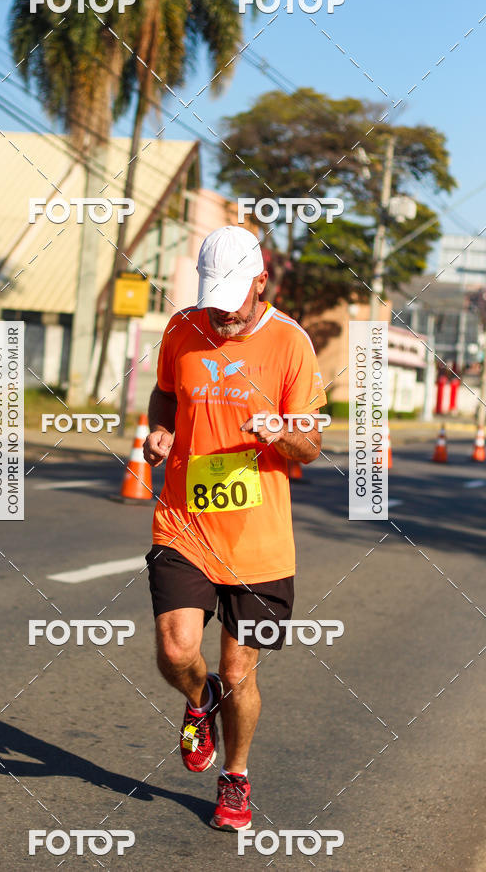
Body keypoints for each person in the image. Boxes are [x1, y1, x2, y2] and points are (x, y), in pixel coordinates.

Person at [143, 225, 326, 831]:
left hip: (258, 542)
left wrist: (283, 434)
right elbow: (166, 393)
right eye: (211, 299)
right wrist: (162, 431)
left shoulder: (291, 345)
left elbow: (311, 446)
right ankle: (199, 705)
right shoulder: (182, 328)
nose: (219, 314)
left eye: (231, 300)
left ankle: (236, 776)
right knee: (177, 650)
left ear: (260, 280)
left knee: (238, 674)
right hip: (184, 523)